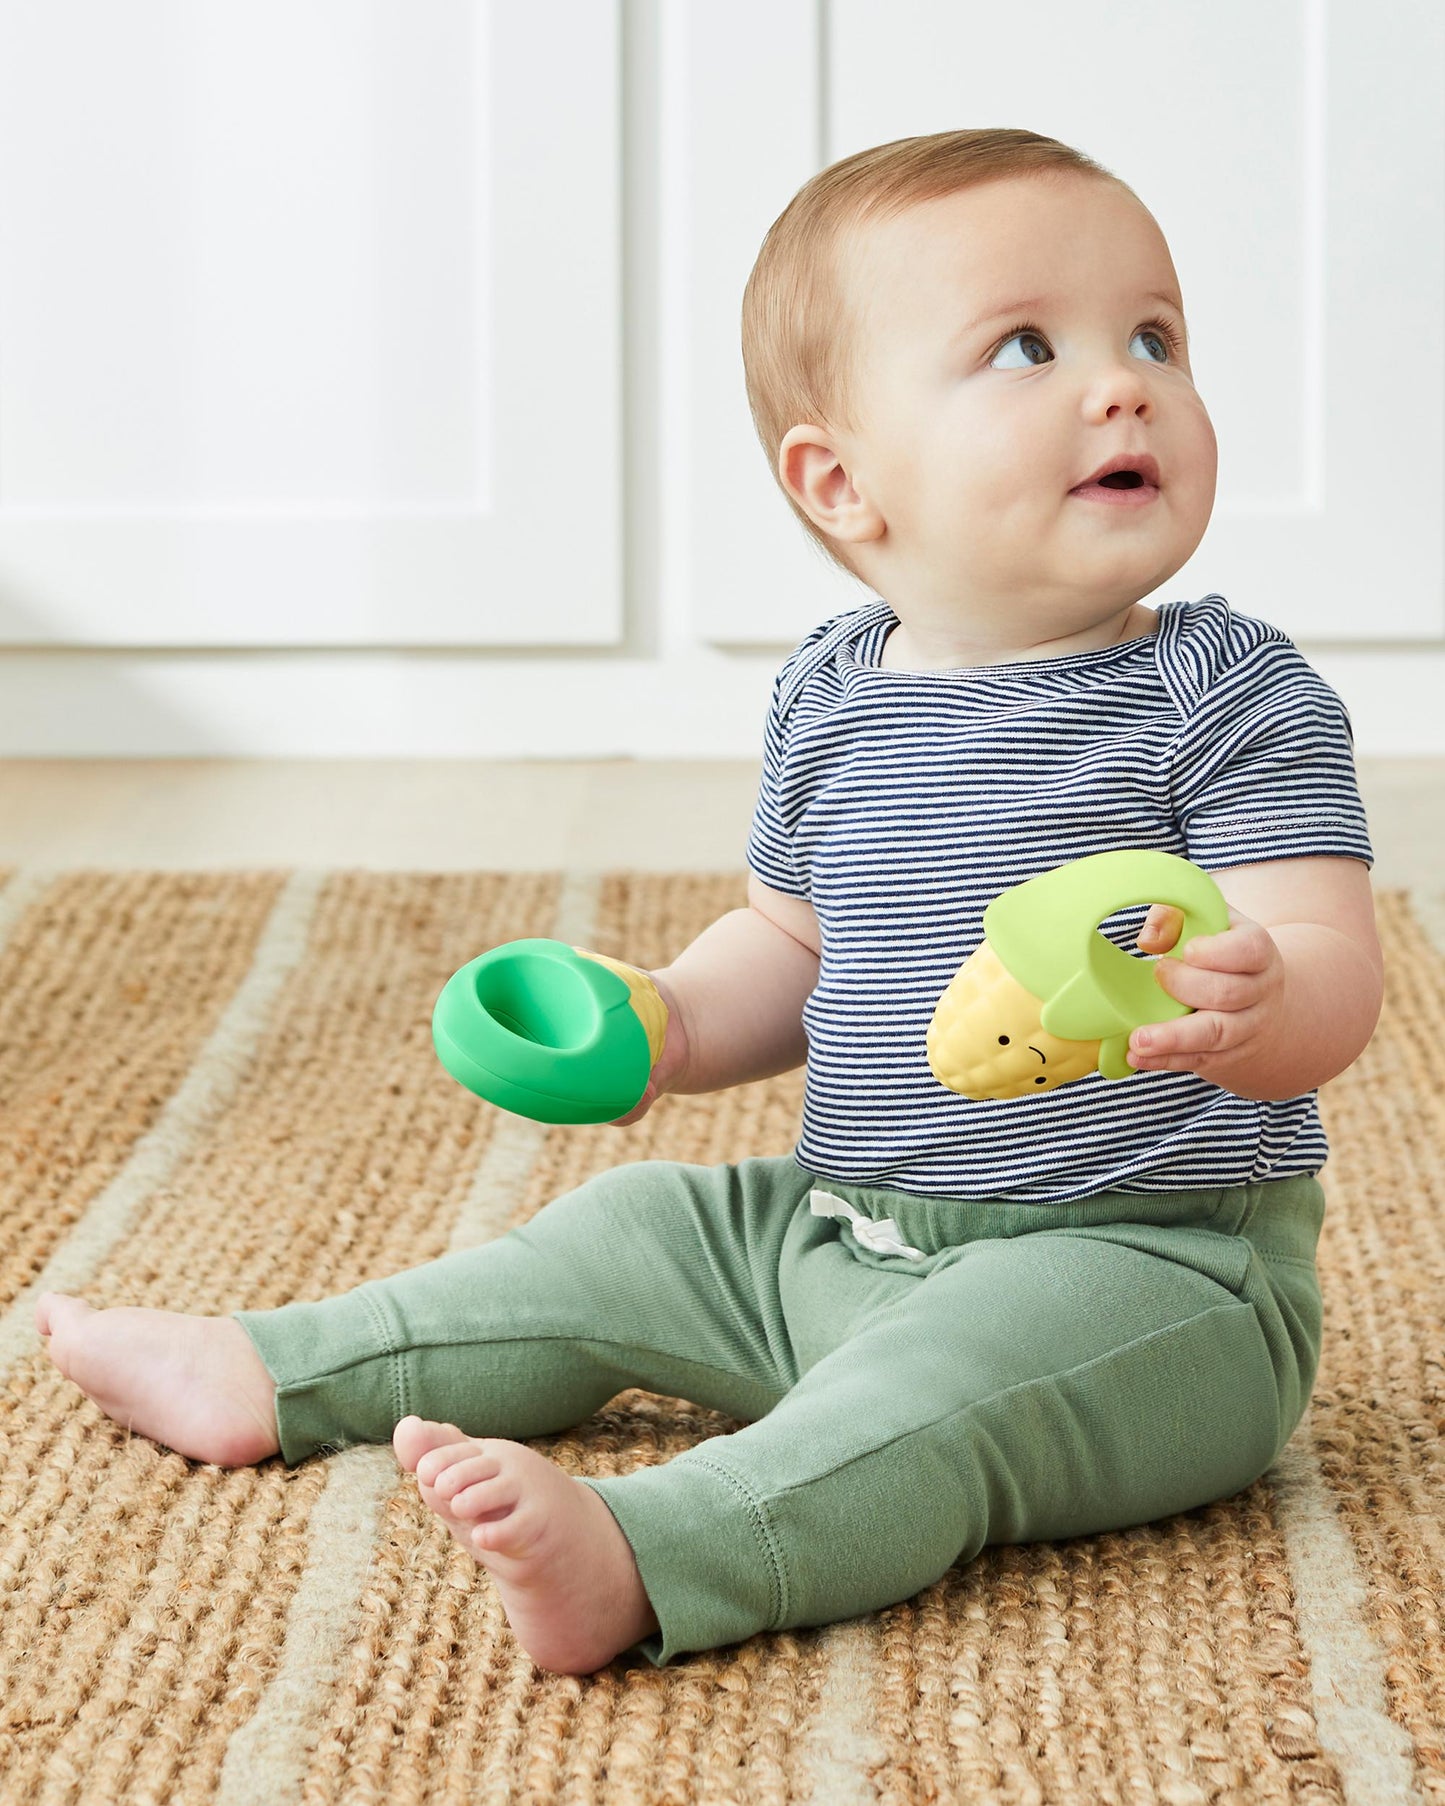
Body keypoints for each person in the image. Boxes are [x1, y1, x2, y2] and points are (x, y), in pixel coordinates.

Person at [33, 128, 1384, 1679]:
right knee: (624, 1229)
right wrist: (666, 1018)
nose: (1121, 380)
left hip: (1149, 1272)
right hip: (836, 1237)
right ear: (839, 480)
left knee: (938, 1391)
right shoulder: (830, 690)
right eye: (1027, 346)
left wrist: (1262, 1001)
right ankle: (274, 1368)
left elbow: (1333, 965)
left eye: (1153, 336)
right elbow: (795, 944)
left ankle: (657, 1549)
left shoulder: (1221, 687)